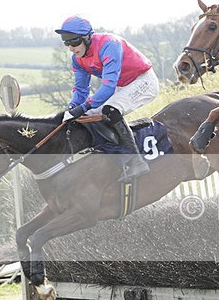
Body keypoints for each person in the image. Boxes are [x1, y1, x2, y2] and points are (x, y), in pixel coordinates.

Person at [55, 15, 159, 181]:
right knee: (86, 116)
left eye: (74, 42)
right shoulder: (77, 60)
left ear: (87, 37)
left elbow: (108, 86)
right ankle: (111, 157)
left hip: (143, 81)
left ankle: (137, 161)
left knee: (110, 110)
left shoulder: (109, 44)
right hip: (121, 85)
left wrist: (84, 106)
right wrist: (73, 106)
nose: (71, 48)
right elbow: (81, 89)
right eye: (66, 43)